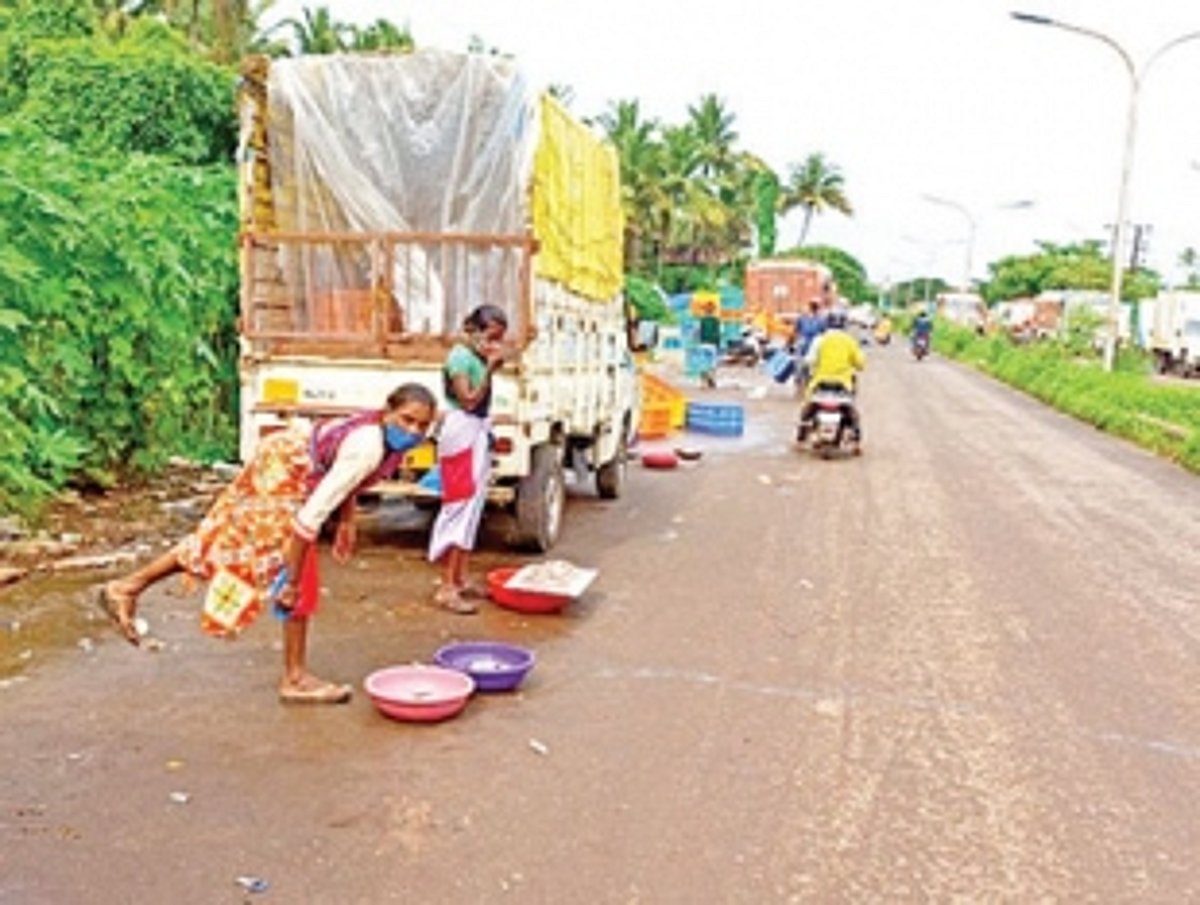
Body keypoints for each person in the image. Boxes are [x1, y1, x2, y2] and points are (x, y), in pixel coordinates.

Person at [98, 383, 438, 704]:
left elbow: (342, 475)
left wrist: (347, 520)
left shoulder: (383, 438)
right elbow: (307, 521)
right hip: (285, 469)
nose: (413, 432)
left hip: (285, 457)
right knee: (282, 562)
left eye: (422, 426)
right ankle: (294, 679)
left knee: (221, 536)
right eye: (407, 420)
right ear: (387, 412)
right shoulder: (369, 445)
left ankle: (127, 587)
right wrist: (290, 583)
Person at [428, 303, 510, 614]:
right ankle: (448, 586)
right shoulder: (461, 358)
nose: (493, 344)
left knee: (471, 507)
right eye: (491, 336)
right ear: (474, 331)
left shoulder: (471, 356)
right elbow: (469, 398)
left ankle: (459, 578)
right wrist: (489, 369)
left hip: (474, 431)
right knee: (460, 506)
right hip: (462, 431)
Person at [798, 308, 866, 446]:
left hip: (820, 383)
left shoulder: (819, 340)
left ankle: (801, 436)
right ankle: (857, 439)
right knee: (851, 410)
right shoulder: (850, 341)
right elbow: (860, 364)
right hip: (843, 385)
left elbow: (809, 360)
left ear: (827, 323)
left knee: (807, 409)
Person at [792, 300, 827, 392]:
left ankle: (803, 386)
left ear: (810, 308)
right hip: (808, 346)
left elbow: (795, 332)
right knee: (803, 368)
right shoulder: (804, 318)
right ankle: (801, 385)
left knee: (803, 367)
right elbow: (795, 331)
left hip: (809, 346)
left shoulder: (819, 319)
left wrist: (794, 341)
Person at [696, 302, 722, 388]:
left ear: (705, 310)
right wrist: (719, 345)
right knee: (712, 365)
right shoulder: (716, 321)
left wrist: (697, 341)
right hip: (713, 345)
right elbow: (719, 333)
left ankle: (703, 383)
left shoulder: (701, 320)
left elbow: (697, 332)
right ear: (713, 310)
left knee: (703, 364)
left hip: (703, 344)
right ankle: (712, 379)